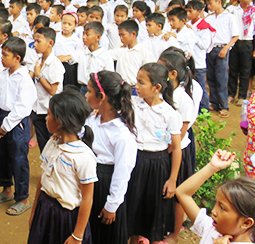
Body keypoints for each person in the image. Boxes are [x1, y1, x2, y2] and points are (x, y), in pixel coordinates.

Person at [27, 89, 96, 244]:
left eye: (49, 114)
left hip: (66, 219)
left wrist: (77, 236)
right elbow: (43, 180)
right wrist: (34, 213)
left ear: (60, 121)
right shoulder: (52, 143)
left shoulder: (83, 156)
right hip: (44, 210)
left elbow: (87, 198)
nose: (46, 118)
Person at [127, 63, 182, 244]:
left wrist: (172, 179)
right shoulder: (133, 105)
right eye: (137, 81)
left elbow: (176, 148)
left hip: (158, 164)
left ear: (157, 87)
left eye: (141, 82)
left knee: (153, 208)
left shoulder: (170, 114)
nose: (136, 86)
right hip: (135, 160)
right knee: (133, 205)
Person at [175, 149, 255, 244]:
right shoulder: (214, 229)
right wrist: (212, 167)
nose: (213, 211)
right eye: (216, 203)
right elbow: (182, 193)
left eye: (222, 207)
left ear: (246, 223)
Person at [85, 71, 137, 244]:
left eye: (89, 91)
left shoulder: (122, 135)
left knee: (105, 235)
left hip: (105, 186)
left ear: (102, 97)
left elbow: (122, 172)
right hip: (88, 180)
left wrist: (112, 204)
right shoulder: (92, 119)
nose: (85, 95)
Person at [0, 37, 36, 216]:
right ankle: (7, 189)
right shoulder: (4, 74)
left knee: (18, 159)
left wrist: (5, 127)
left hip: (17, 123)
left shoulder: (24, 79)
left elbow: (22, 108)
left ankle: (23, 197)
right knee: (1, 155)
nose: (2, 58)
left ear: (17, 58)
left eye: (5, 55)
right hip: (1, 118)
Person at [158, 50, 198, 244]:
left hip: (176, 152)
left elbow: (182, 130)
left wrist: (169, 149)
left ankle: (174, 234)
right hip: (163, 150)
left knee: (177, 195)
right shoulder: (163, 92)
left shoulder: (183, 98)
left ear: (173, 74)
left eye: (161, 67)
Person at [205, 0, 239, 118]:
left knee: (221, 78)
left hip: (222, 48)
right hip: (210, 49)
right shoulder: (209, 18)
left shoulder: (230, 17)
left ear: (219, 2)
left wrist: (226, 48)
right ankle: (214, 102)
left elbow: (235, 36)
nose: (209, 6)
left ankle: (224, 105)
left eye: (210, 3)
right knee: (211, 77)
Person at [30, 27, 64, 151]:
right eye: (35, 41)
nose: (35, 44)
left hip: (50, 111)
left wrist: (39, 76)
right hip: (38, 109)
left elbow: (52, 90)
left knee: (52, 146)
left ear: (50, 43)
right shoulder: (38, 61)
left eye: (38, 41)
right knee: (43, 146)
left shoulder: (55, 64)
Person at [228, 0, 255, 106]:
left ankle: (242, 96)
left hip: (247, 42)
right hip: (235, 42)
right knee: (233, 69)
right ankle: (231, 94)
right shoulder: (233, 11)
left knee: (245, 70)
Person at [186, 0, 213, 113]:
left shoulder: (203, 27)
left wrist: (192, 33)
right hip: (189, 61)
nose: (188, 14)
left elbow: (205, 45)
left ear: (198, 11)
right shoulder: (190, 24)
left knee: (201, 86)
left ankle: (204, 108)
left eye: (190, 11)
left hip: (199, 62)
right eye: (186, 11)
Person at [108, 20, 153, 87]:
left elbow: (149, 72)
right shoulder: (120, 50)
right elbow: (105, 54)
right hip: (122, 87)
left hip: (136, 87)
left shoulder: (144, 52)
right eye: (119, 35)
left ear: (133, 34)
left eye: (123, 35)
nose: (121, 38)